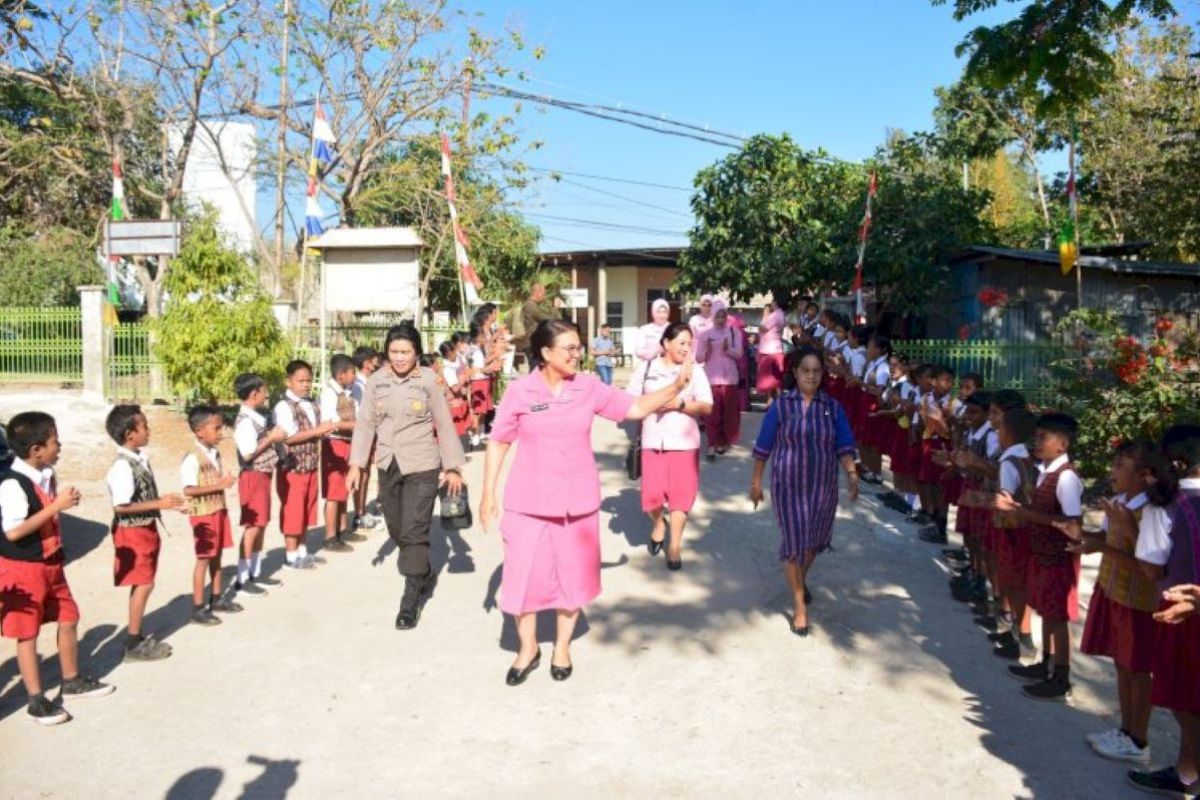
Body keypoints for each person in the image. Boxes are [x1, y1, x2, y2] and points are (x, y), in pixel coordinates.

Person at [480, 319, 693, 686]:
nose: (578, 354)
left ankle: (562, 647)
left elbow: (636, 408)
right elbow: (499, 441)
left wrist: (676, 386)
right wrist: (487, 494)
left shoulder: (588, 388)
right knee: (522, 578)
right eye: (570, 349)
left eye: (579, 347)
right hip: (527, 502)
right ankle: (527, 648)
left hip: (576, 503)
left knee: (573, 578)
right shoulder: (520, 391)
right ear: (546, 353)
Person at [348, 323, 466, 630]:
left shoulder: (428, 380)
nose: (399, 358)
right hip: (388, 464)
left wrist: (452, 466)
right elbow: (365, 425)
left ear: (416, 352)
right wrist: (356, 463)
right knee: (397, 529)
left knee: (414, 531)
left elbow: (444, 424)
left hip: (422, 464)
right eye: (394, 352)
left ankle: (410, 600)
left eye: (406, 352)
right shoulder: (376, 382)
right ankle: (423, 569)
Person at [0, 412, 114, 725]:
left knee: (69, 616)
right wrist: (55, 507)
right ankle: (36, 699)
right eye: (54, 441)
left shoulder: (46, 474)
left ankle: (71, 679)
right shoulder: (13, 484)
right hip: (24, 568)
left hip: (51, 563)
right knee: (27, 633)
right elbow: (13, 532)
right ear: (36, 449)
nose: (59, 445)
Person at [750, 346, 859, 637]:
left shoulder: (832, 408)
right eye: (805, 370)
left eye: (816, 371)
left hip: (823, 489)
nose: (811, 375)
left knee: (814, 543)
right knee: (795, 544)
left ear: (822, 375)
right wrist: (757, 482)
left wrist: (851, 473)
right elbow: (763, 447)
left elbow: (844, 444)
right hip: (789, 487)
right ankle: (800, 607)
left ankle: (799, 579)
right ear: (795, 373)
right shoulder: (781, 407)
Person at [1064, 440, 1160, 764]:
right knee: (1122, 663)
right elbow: (1108, 540)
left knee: (1138, 669)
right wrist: (1089, 541)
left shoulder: (1152, 510)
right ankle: (1125, 730)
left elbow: (1150, 567)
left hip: (1140, 602)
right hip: (1115, 591)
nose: (1112, 470)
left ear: (1144, 474)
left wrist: (1106, 547)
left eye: (1121, 464)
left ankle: (1139, 740)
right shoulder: (1119, 502)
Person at [1129, 424, 1200, 796]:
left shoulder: (1165, 504)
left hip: (1180, 613)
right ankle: (1186, 772)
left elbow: (1152, 564)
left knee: (1185, 701)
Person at [995, 412, 1083, 701]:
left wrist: (1021, 512)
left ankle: (1061, 676)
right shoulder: (1046, 471)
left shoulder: (1066, 478)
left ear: (1063, 444)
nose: (1037, 441)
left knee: (1057, 617)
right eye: (1037, 435)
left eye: (1044, 437)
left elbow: (1072, 525)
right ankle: (1045, 664)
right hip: (1042, 553)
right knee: (1046, 611)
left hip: (1058, 557)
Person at [627, 323, 713, 570]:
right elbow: (630, 400)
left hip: (684, 443)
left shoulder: (695, 372)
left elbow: (707, 406)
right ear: (666, 344)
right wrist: (653, 403)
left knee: (681, 497)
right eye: (681, 343)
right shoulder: (646, 369)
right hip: (653, 440)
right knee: (652, 497)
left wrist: (680, 404)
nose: (686, 349)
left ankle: (674, 545)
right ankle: (658, 524)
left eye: (689, 343)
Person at [104, 404, 185, 661]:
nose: (148, 430)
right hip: (133, 532)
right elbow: (121, 505)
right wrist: (159, 504)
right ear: (130, 433)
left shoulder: (138, 458)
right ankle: (133, 641)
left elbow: (141, 496)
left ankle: (135, 635)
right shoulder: (122, 467)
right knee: (144, 583)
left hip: (144, 528)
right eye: (144, 426)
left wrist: (164, 503)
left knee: (144, 582)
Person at [181, 405, 241, 626]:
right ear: (200, 431)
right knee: (204, 559)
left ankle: (216, 598)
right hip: (203, 515)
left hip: (217, 510)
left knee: (216, 556)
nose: (220, 433)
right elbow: (188, 490)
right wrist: (219, 485)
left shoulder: (213, 452)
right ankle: (198, 607)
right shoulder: (192, 458)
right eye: (216, 428)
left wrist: (222, 483)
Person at [275, 359, 337, 569]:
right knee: (293, 510)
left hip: (310, 463)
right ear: (288, 381)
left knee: (306, 508)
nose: (305, 385)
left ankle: (302, 550)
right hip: (293, 466)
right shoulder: (284, 406)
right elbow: (289, 437)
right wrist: (318, 431)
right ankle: (290, 555)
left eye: (308, 381)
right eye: (300, 381)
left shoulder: (310, 403)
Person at [232, 373, 286, 595]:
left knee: (261, 524)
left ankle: (255, 571)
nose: (266, 396)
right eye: (263, 391)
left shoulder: (254, 417)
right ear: (254, 394)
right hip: (253, 476)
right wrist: (271, 439)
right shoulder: (245, 422)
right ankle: (243, 578)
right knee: (253, 526)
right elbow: (247, 454)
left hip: (262, 475)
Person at [695, 304, 742, 461]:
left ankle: (723, 441)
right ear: (713, 317)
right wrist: (707, 350)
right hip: (712, 379)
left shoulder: (733, 332)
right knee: (712, 414)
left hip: (730, 378)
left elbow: (740, 354)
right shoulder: (706, 334)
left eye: (723, 316)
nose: (721, 320)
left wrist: (728, 349)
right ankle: (711, 444)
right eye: (717, 316)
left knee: (728, 413)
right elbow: (699, 358)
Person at [349, 346, 382, 531]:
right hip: (363, 432)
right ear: (367, 363)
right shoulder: (359, 386)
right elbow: (361, 412)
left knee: (367, 473)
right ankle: (359, 513)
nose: (375, 364)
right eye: (373, 361)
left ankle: (361, 511)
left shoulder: (367, 382)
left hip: (371, 431)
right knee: (361, 473)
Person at [519, 284, 561, 369]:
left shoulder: (533, 305)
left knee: (538, 368)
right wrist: (555, 309)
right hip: (531, 343)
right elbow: (545, 319)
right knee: (536, 369)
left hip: (534, 342)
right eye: (543, 293)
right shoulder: (530, 305)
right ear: (537, 292)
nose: (544, 296)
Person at [756, 299, 787, 404]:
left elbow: (762, 328)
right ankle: (778, 399)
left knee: (769, 376)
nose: (771, 304)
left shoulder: (774, 315)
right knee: (777, 375)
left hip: (768, 349)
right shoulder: (782, 314)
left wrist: (765, 316)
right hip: (776, 347)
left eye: (773, 302)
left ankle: (770, 400)